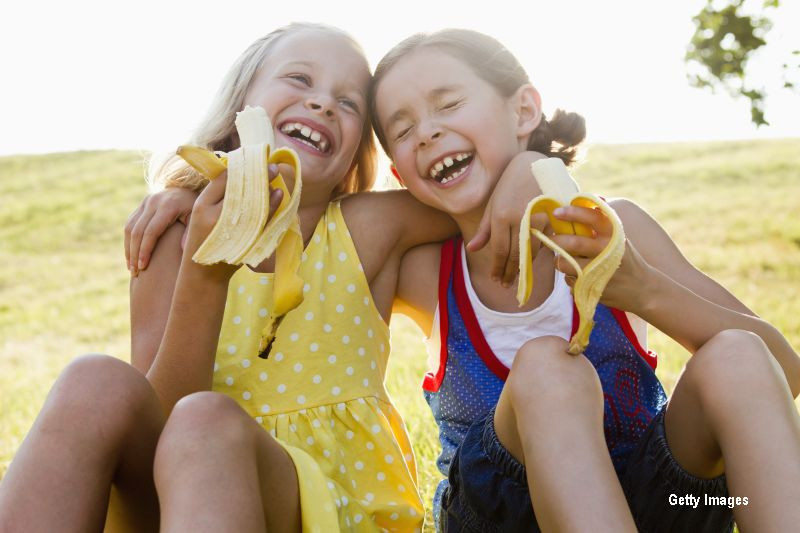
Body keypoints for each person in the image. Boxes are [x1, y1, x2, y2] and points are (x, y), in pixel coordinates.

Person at [0, 22, 475, 532]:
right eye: (298, 78)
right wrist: (205, 271)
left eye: (349, 102)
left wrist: (529, 160)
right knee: (93, 380)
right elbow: (158, 419)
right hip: (179, 488)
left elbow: (474, 199)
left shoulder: (367, 227)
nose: (322, 104)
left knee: (209, 422)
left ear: (357, 153)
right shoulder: (173, 237)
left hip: (328, 505)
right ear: (238, 109)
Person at [367, 29, 800, 532]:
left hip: (668, 505)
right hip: (497, 517)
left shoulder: (618, 230)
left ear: (524, 110)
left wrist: (644, 290)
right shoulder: (425, 269)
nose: (426, 132)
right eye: (402, 130)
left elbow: (783, 369)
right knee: (549, 367)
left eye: (449, 103)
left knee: (736, 354)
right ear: (399, 175)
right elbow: (335, 223)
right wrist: (527, 165)